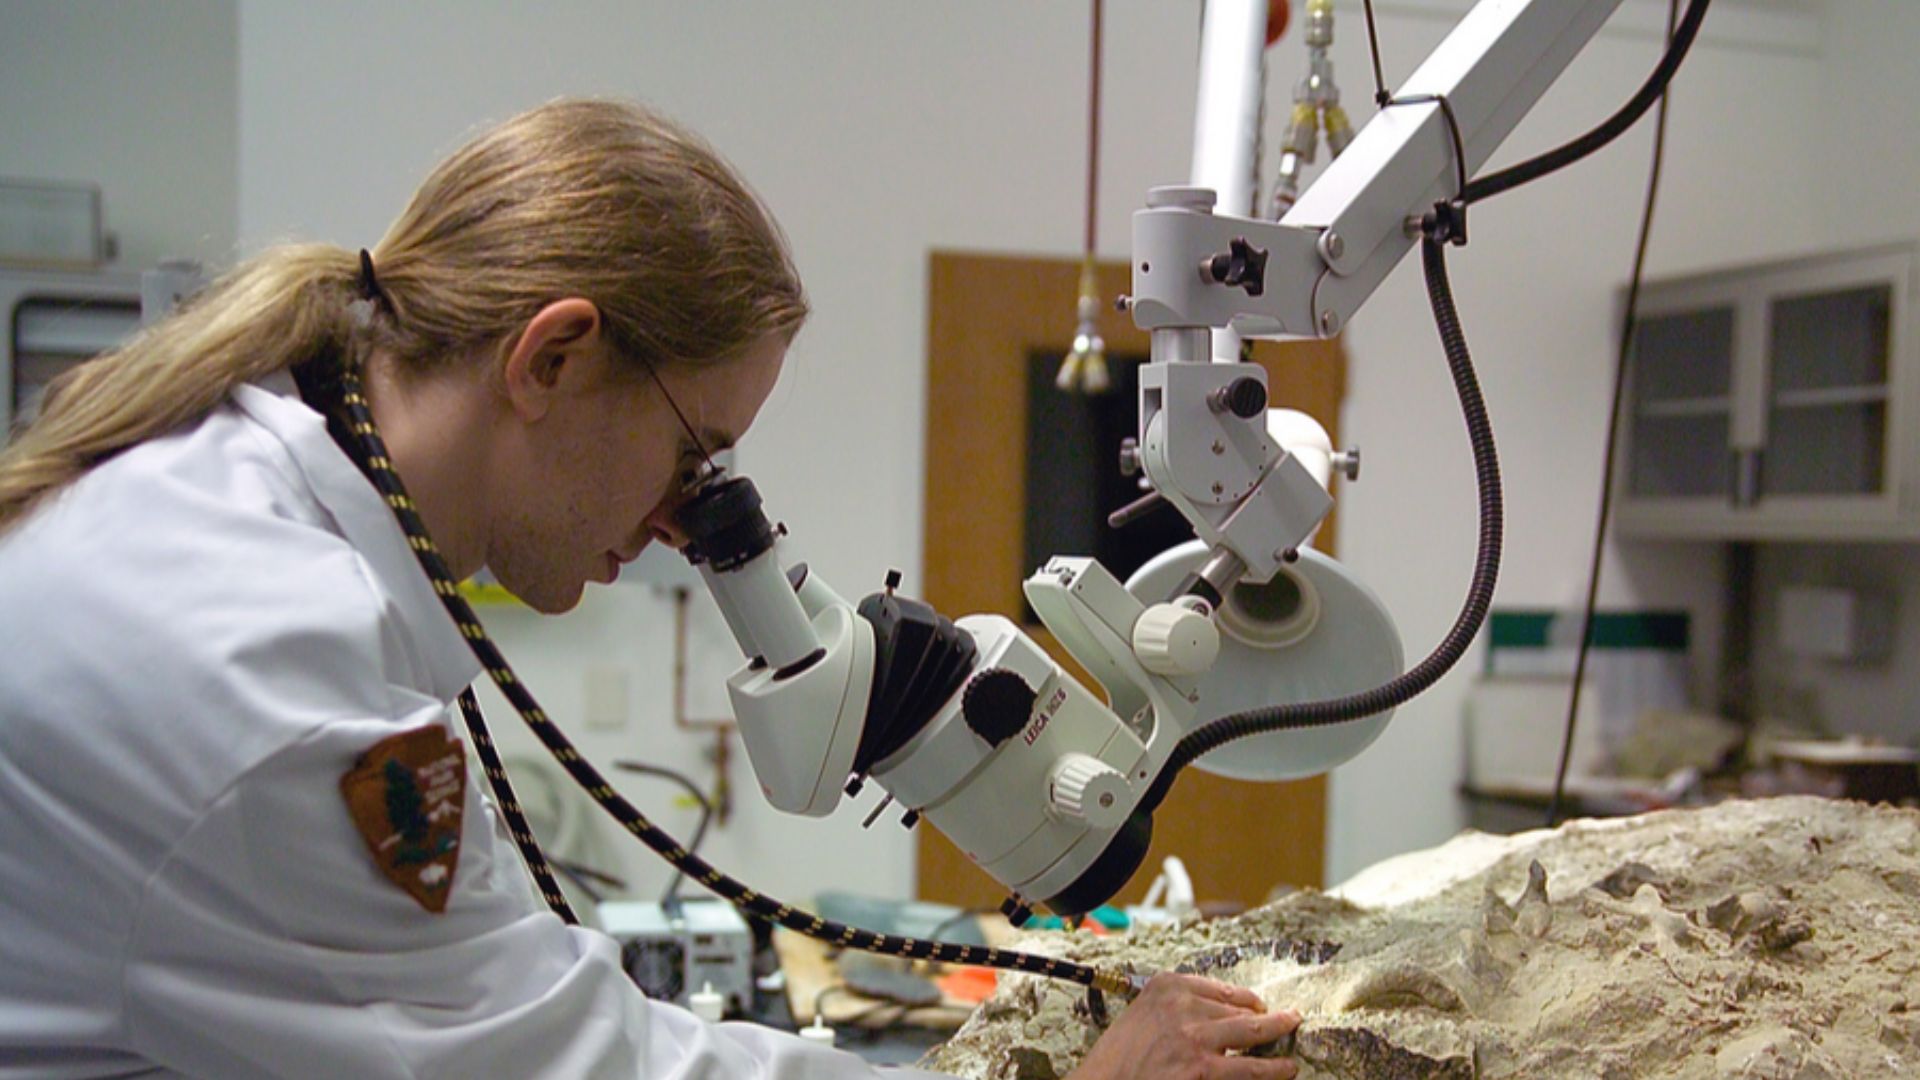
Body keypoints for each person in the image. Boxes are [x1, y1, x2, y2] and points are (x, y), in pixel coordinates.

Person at [0, 98, 1301, 1078]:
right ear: (554, 357)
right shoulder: (260, 661)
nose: (692, 519)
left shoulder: (258, 498)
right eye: (697, 452)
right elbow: (570, 1063)